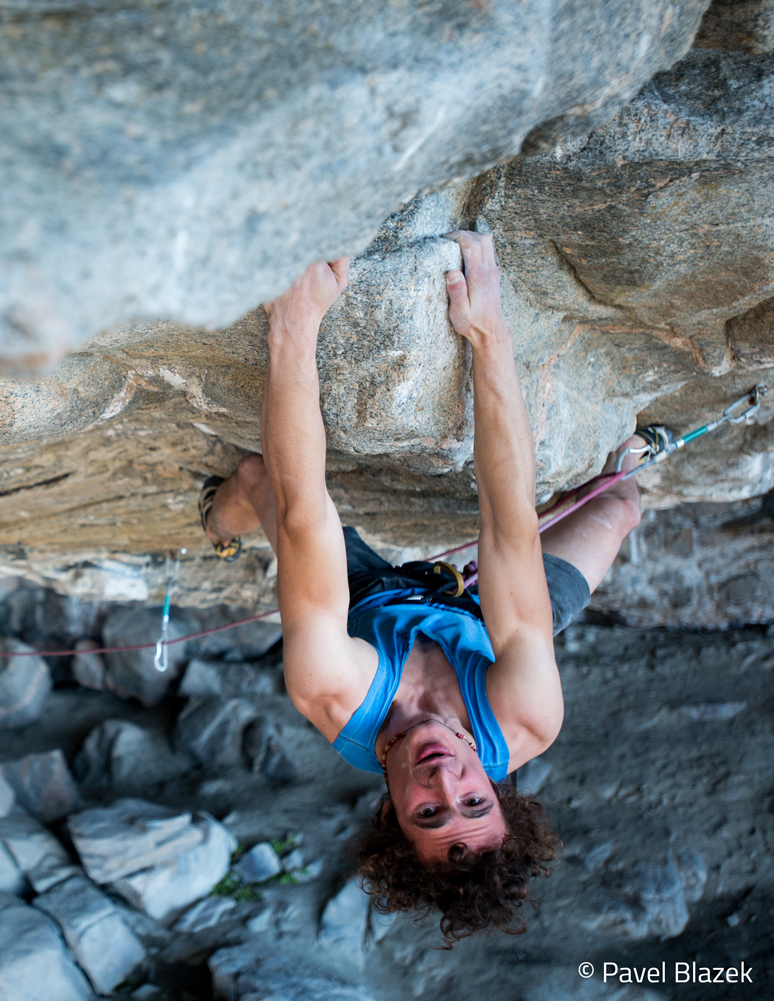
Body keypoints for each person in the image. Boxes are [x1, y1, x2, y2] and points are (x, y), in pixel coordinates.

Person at [199, 232, 652, 943]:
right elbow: (508, 529)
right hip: (477, 614)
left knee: (262, 481)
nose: (445, 783)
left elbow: (306, 512)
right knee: (619, 507)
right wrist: (487, 333)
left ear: (391, 815)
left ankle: (213, 523)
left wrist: (295, 320)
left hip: (364, 598)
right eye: (474, 799)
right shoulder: (527, 717)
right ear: (500, 786)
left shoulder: (333, 691)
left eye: (429, 814)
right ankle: (614, 488)